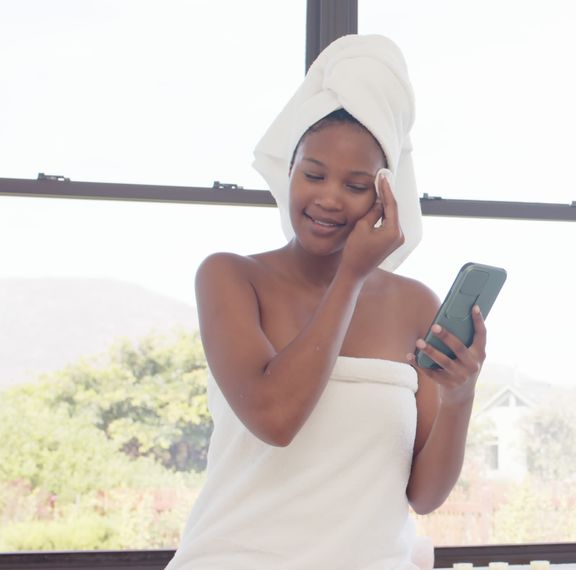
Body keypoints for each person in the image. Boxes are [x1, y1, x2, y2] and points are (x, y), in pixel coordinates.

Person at [166, 35, 481, 569]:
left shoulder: (414, 305)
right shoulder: (230, 277)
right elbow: (276, 418)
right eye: (313, 174)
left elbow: (423, 496)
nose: (329, 197)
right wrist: (352, 276)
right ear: (288, 172)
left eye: (356, 185)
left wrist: (460, 397)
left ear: (385, 196)